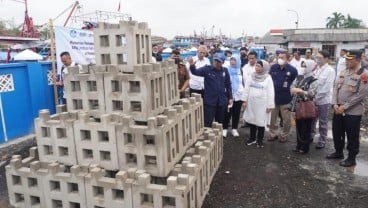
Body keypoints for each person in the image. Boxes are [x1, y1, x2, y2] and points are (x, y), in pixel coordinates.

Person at [327, 50, 368, 167]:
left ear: (358, 60)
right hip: (338, 108)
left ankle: (351, 158)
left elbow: (360, 95)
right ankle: (338, 152)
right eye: (346, 59)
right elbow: (335, 88)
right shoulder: (344, 71)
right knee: (337, 132)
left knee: (352, 135)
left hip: (352, 112)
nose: (347, 61)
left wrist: (344, 107)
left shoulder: (364, 74)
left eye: (350, 59)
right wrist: (334, 103)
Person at [188, 53, 233, 127]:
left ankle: (218, 137)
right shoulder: (207, 69)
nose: (216, 62)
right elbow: (195, 72)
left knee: (219, 123)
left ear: (223, 62)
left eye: (219, 61)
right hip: (210, 102)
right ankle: (207, 137)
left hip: (221, 101)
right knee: (207, 122)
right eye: (215, 60)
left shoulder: (225, 71)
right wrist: (192, 65)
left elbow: (228, 84)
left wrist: (230, 97)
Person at [242, 60, 274, 148]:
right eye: (256, 66)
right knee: (252, 120)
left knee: (261, 122)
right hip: (252, 103)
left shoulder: (268, 78)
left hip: (262, 104)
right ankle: (252, 138)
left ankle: (259, 140)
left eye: (259, 66)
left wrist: (270, 105)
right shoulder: (251, 76)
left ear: (264, 68)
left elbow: (271, 92)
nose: (256, 68)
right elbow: (246, 88)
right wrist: (244, 100)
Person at [268, 51, 298, 142]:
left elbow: (295, 84)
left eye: (282, 57)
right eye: (279, 57)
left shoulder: (292, 70)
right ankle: (273, 134)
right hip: (273, 97)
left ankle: (284, 135)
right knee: (272, 118)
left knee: (286, 119)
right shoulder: (273, 68)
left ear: (288, 58)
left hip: (286, 98)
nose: (280, 59)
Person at [290, 60, 318, 154]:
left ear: (310, 67)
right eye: (302, 66)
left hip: (306, 106)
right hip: (297, 105)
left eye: (305, 66)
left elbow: (312, 93)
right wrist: (295, 89)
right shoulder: (299, 77)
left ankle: (305, 147)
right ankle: (298, 146)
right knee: (299, 126)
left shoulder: (313, 79)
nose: (303, 68)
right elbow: (292, 87)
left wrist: (301, 92)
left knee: (306, 128)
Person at [311, 50, 336, 149]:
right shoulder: (318, 69)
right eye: (317, 57)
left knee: (323, 121)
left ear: (326, 59)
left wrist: (316, 98)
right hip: (314, 99)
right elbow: (313, 83)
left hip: (324, 101)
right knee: (312, 119)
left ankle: (322, 140)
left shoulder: (330, 70)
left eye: (320, 58)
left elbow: (326, 88)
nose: (317, 59)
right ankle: (311, 136)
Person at [223, 55, 244, 137]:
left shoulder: (240, 70)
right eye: (231, 60)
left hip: (238, 95)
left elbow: (243, 82)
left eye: (234, 60)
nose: (232, 61)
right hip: (228, 94)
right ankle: (224, 128)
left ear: (238, 61)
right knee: (227, 112)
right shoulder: (226, 69)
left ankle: (234, 129)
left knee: (236, 112)